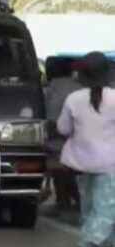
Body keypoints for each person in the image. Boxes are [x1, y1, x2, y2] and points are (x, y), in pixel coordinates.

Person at [57, 51, 115, 247]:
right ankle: (88, 245)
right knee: (107, 208)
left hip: (82, 161)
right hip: (110, 164)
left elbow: (63, 128)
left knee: (89, 206)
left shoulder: (73, 99)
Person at [44, 57, 82, 213]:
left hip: (57, 142)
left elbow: (51, 124)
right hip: (83, 141)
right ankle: (75, 202)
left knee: (56, 164)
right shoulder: (82, 88)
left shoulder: (48, 91)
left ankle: (64, 202)